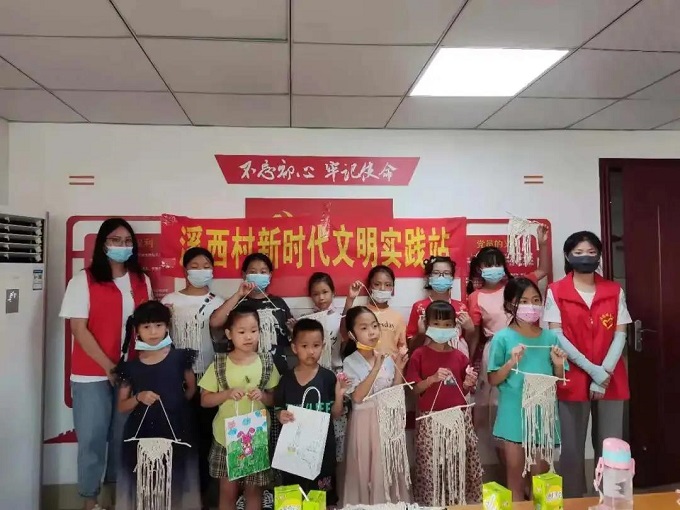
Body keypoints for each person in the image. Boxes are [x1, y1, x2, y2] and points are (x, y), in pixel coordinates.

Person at [59, 217, 153, 510]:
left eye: (127, 241)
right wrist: (108, 366)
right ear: (102, 244)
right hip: (91, 374)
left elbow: (148, 324)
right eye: (115, 240)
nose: (122, 246)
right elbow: (78, 329)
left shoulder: (141, 280)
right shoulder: (83, 280)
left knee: (124, 438)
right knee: (92, 439)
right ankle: (90, 501)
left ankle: (118, 498)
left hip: (130, 372)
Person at [544, 231, 631, 498]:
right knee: (571, 448)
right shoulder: (556, 291)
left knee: (612, 446)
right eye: (579, 253)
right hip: (573, 374)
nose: (585, 257)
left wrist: (604, 373)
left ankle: (612, 499)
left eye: (592, 252)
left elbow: (620, 334)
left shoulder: (613, 290)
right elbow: (557, 335)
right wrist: (592, 370)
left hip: (610, 376)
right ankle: (572, 500)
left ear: (599, 256)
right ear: (568, 256)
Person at [466, 226, 550, 470]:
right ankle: (512, 476)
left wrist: (543, 244)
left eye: (497, 263)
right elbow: (475, 335)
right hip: (495, 351)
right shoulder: (475, 296)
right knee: (501, 412)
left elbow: (543, 270)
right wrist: (469, 363)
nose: (493, 268)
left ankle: (533, 473)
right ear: (479, 269)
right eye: (487, 265)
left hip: (526, 348)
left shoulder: (516, 286)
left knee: (528, 407)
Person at [487, 277, 567, 501]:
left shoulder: (550, 337)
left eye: (535, 300)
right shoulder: (502, 338)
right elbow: (493, 379)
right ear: (509, 304)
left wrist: (558, 365)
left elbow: (559, 380)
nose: (531, 306)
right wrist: (511, 362)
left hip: (543, 415)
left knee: (541, 478)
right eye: (523, 301)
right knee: (515, 477)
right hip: (513, 414)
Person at [115, 301, 200, 510]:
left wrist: (176, 406)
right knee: (145, 488)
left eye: (158, 325)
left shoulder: (180, 358)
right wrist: (139, 397)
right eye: (146, 327)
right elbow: (122, 406)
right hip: (141, 435)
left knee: (175, 484)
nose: (153, 332)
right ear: (137, 331)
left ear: (167, 327)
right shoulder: (130, 367)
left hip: (176, 431)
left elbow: (191, 389)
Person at [161, 247, 225, 507]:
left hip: (209, 379)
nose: (201, 270)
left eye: (206, 266)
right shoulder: (170, 301)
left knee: (207, 438)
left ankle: (204, 495)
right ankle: (181, 497)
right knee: (180, 438)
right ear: (185, 269)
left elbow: (223, 334)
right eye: (195, 266)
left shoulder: (218, 302)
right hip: (177, 380)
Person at [199, 304, 280, 510]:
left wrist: (263, 396)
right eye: (242, 332)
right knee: (228, 490)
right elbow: (205, 400)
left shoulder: (266, 362)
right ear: (229, 334)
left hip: (256, 438)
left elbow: (276, 399)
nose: (248, 337)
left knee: (254, 490)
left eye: (253, 330)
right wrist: (226, 394)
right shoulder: (220, 363)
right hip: (226, 439)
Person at [406, 301, 482, 505]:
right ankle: (431, 504)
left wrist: (467, 384)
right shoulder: (419, 355)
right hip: (430, 421)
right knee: (431, 468)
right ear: (427, 325)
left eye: (447, 324)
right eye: (436, 324)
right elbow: (414, 389)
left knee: (456, 466)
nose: (442, 329)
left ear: (455, 327)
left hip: (457, 419)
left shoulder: (460, 356)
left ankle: (457, 503)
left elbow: (461, 391)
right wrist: (431, 379)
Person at [342, 306, 411, 505]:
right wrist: (376, 367)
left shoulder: (387, 358)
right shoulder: (350, 362)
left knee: (386, 467)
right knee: (365, 469)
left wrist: (399, 368)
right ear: (352, 335)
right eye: (364, 328)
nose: (372, 332)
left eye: (374, 326)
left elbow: (394, 392)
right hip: (364, 423)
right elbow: (357, 397)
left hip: (386, 421)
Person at [275, 318, 348, 505]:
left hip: (322, 451)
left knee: (319, 499)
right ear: (294, 348)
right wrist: (280, 415)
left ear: (323, 346)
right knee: (292, 499)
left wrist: (339, 394)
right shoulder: (286, 380)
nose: (311, 351)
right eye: (305, 346)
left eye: (316, 345)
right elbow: (278, 409)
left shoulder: (328, 378)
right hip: (293, 452)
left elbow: (336, 414)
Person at [210, 252, 293, 375]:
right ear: (244, 275)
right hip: (242, 372)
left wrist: (294, 330)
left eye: (263, 272)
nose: (258, 275)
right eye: (253, 272)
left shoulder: (278, 304)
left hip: (276, 371)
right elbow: (215, 322)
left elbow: (292, 337)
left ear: (270, 275)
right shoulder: (236, 303)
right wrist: (239, 294)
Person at [406, 256, 474, 355]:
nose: (441, 277)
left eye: (446, 273)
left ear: (452, 278)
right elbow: (411, 346)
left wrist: (470, 330)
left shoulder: (461, 308)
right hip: (428, 357)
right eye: (436, 273)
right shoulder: (419, 307)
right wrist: (421, 334)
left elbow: (467, 341)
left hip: (457, 357)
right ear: (429, 277)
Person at [341, 265, 406, 357]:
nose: (382, 288)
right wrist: (350, 300)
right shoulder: (361, 313)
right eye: (377, 284)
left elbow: (402, 347)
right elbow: (344, 333)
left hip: (390, 365)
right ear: (370, 287)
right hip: (365, 363)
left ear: (392, 288)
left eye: (387, 285)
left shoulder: (398, 317)